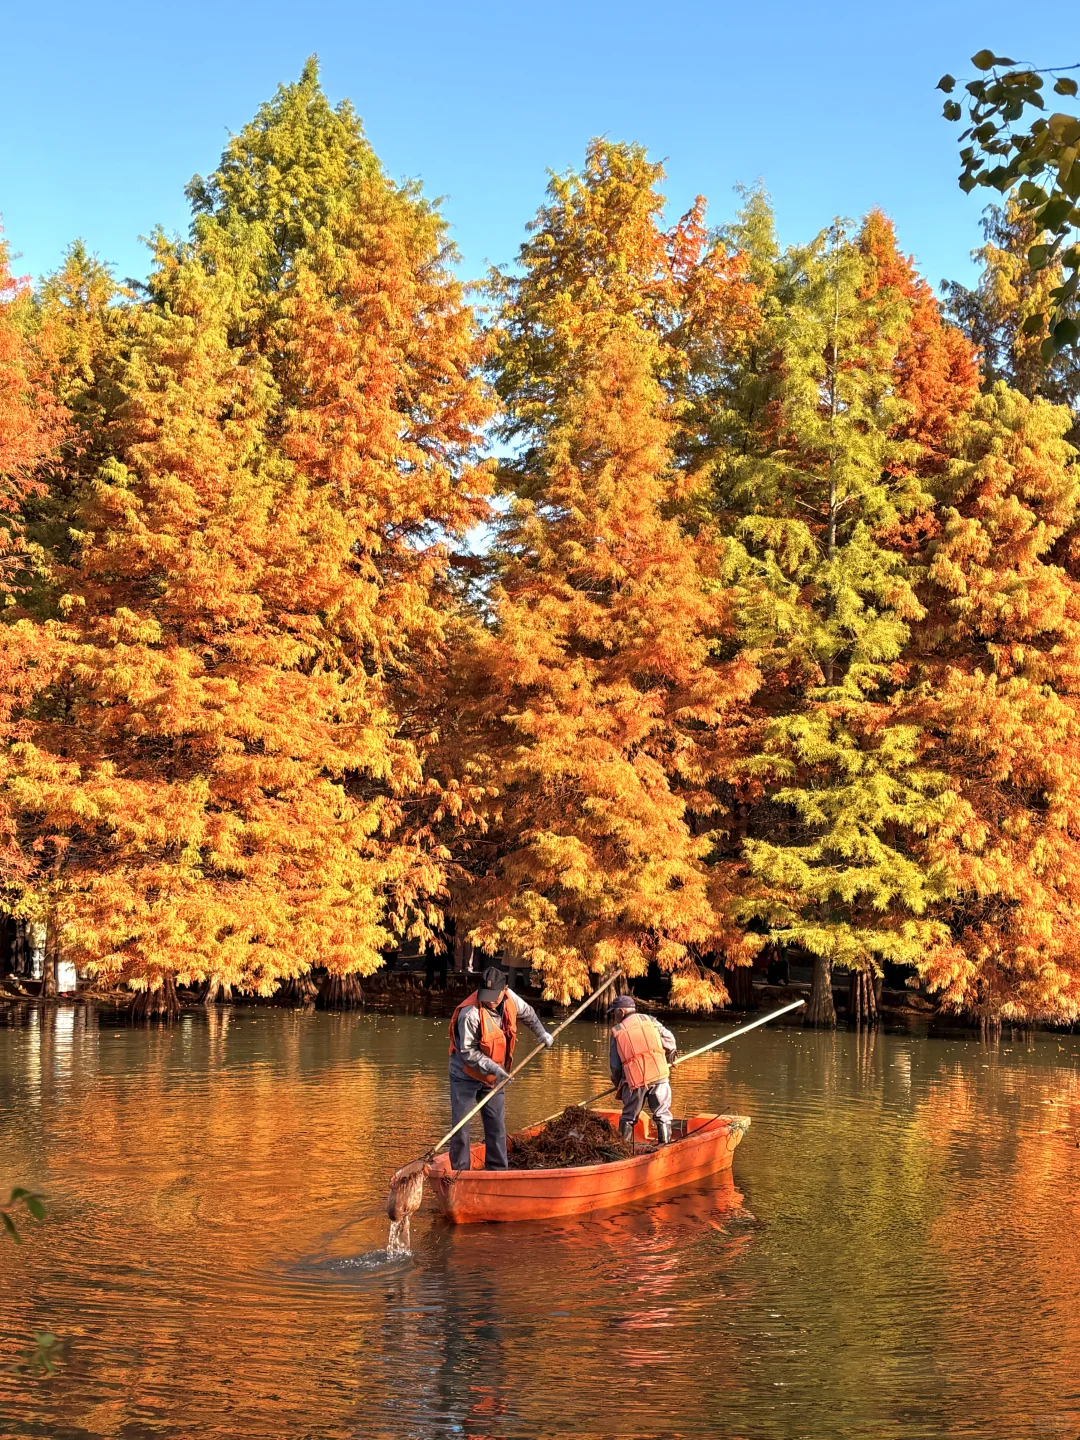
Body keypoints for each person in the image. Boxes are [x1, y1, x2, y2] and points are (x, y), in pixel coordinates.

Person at [447, 965, 554, 1170]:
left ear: (504, 990)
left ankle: (497, 1170)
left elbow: (529, 1014)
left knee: (496, 1124)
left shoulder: (511, 999)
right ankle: (460, 1172)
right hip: (465, 1074)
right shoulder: (469, 1014)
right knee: (461, 1126)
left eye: (494, 996)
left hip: (494, 1075)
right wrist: (495, 1069)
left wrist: (542, 1033)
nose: (490, 1000)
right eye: (486, 995)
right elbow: (468, 1053)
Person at [609, 994, 677, 1146]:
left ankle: (622, 1150)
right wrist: (669, 1059)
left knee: (628, 1117)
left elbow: (615, 1066)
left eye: (614, 1012)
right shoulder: (651, 1021)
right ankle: (664, 1147)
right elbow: (670, 1041)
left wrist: (617, 1083)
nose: (614, 1016)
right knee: (662, 1114)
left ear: (621, 1011)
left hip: (635, 1080)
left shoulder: (617, 1032)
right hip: (659, 1075)